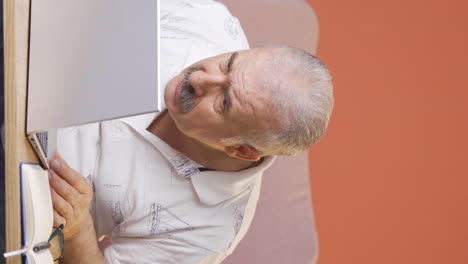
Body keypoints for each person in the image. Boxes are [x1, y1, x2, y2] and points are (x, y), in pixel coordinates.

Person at [48, 0, 334, 263]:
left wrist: (78, 232)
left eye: (224, 102)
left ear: (240, 150)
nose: (198, 77)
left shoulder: (208, 234)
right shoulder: (203, 18)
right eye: (228, 63)